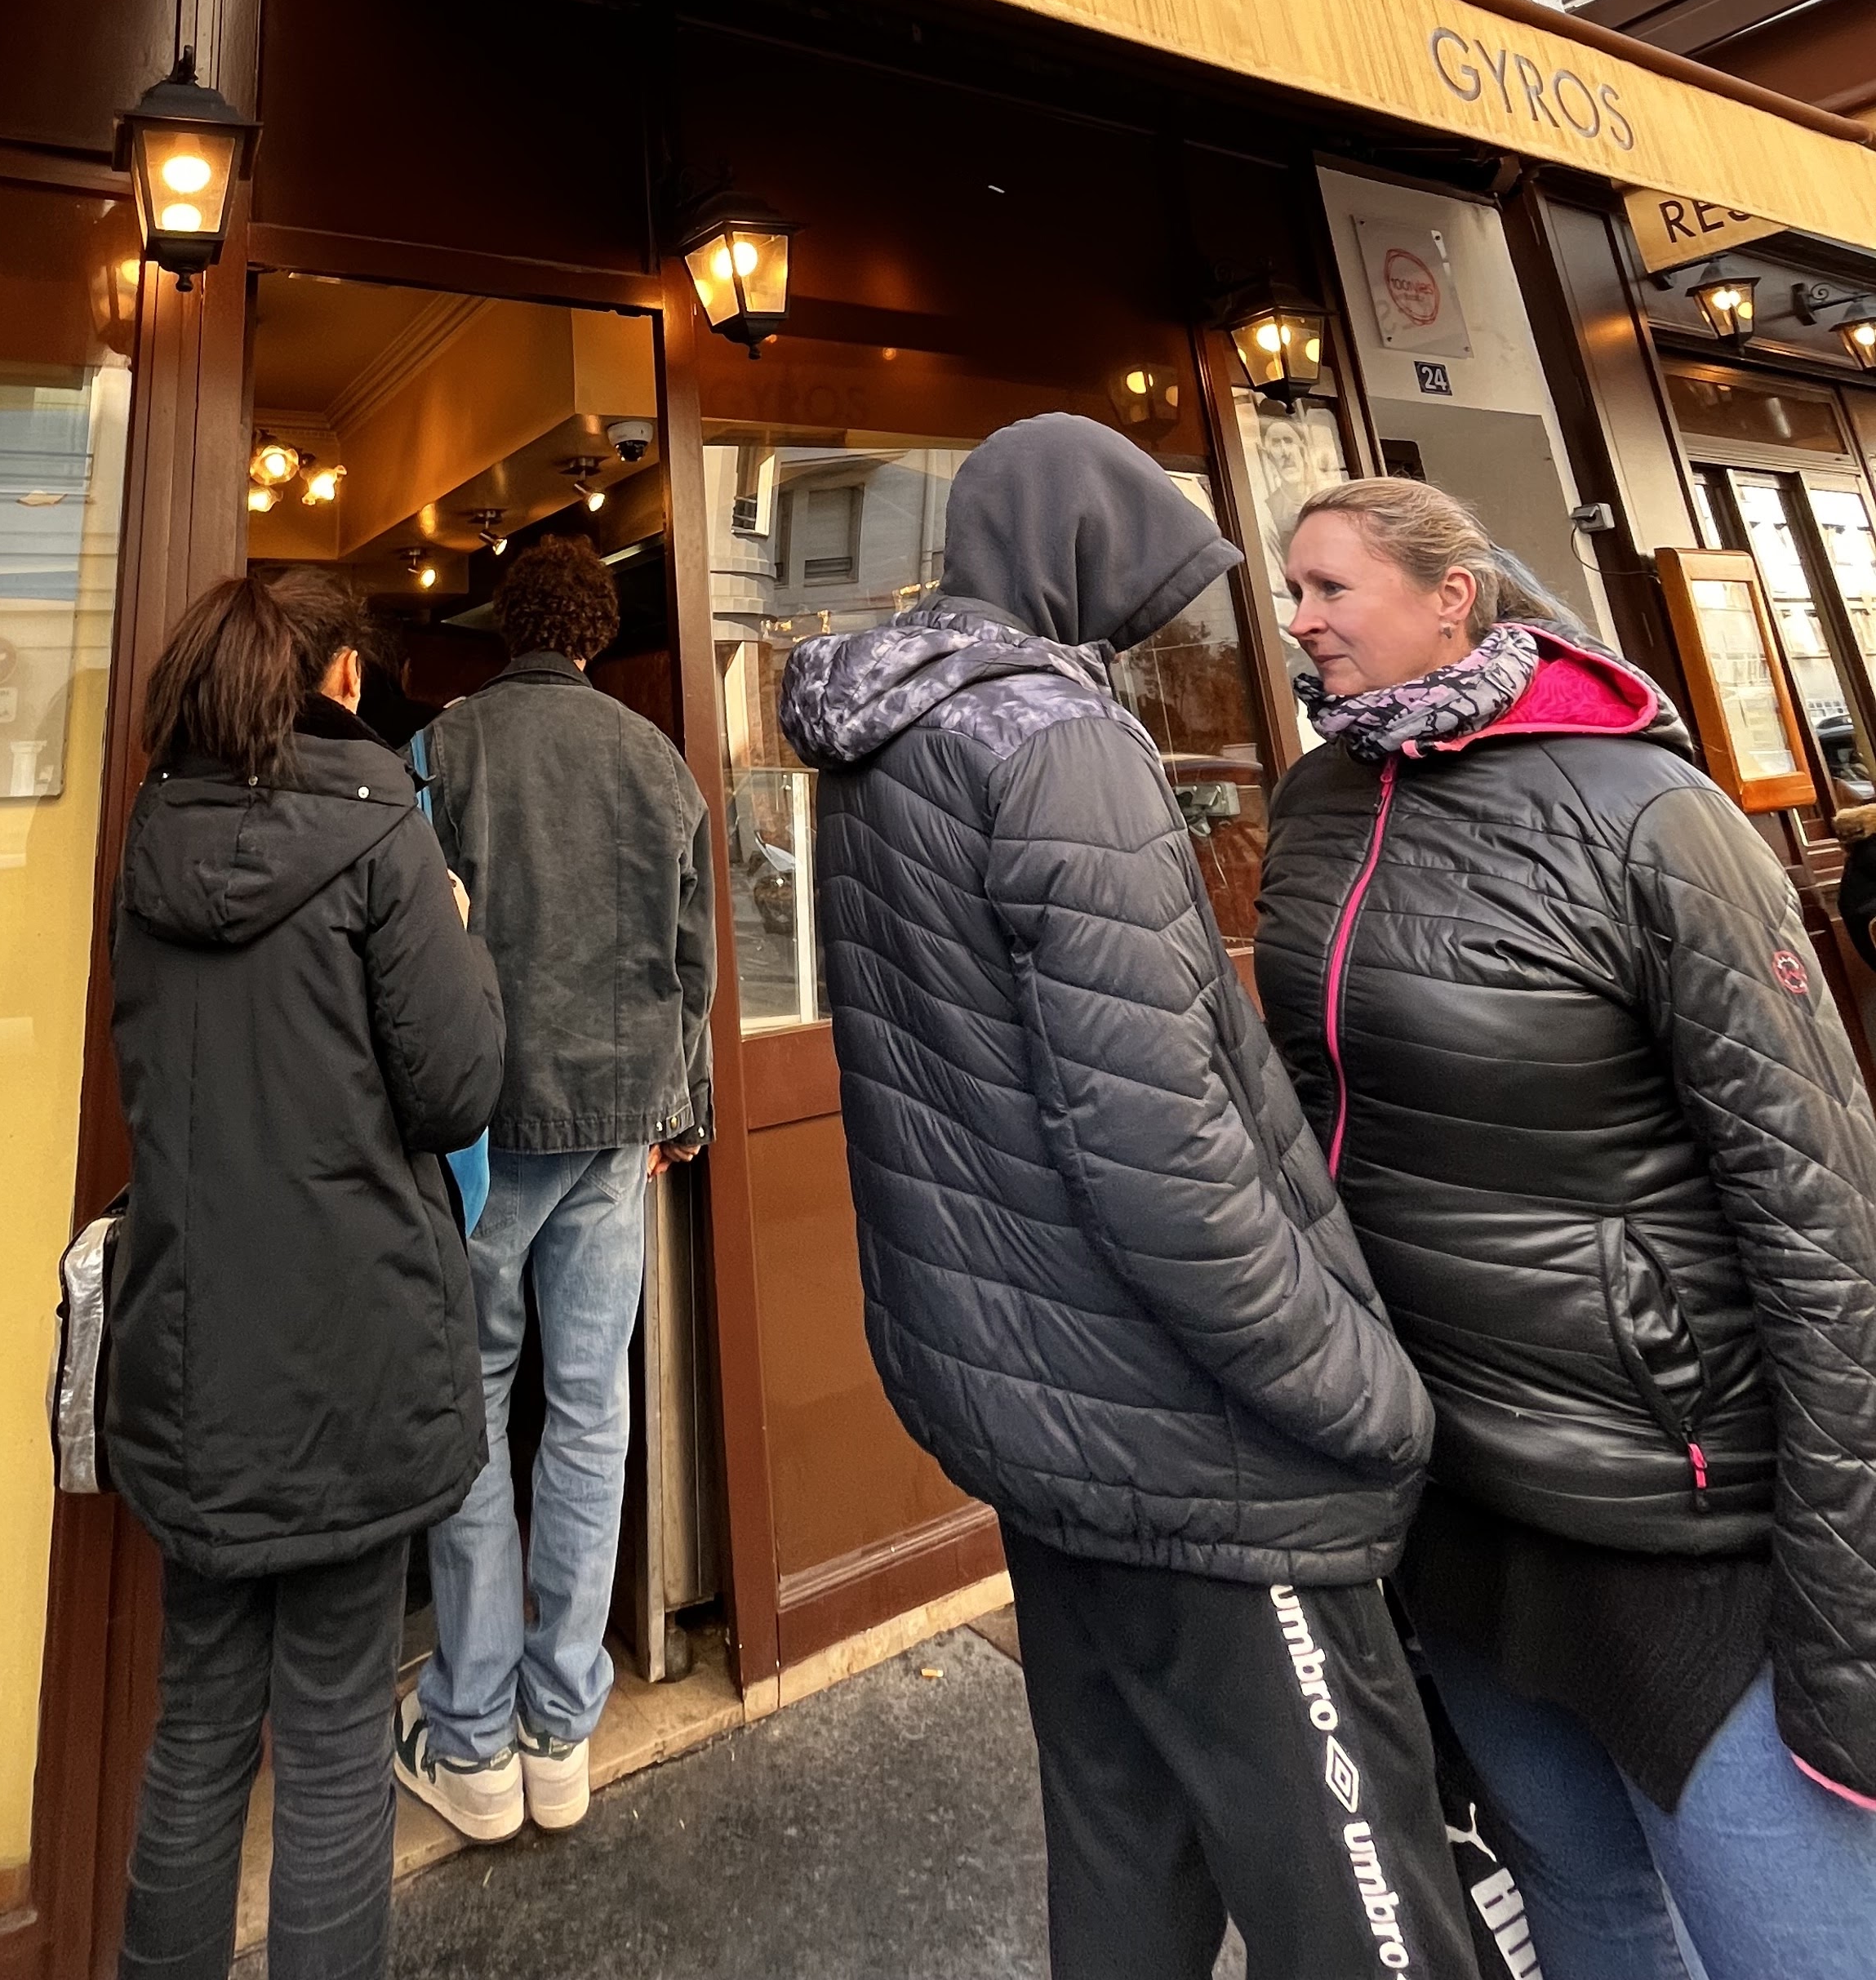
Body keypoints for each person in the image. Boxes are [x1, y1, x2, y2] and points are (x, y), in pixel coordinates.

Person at [777, 413, 1478, 1980]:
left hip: (1036, 1411)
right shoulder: (1055, 740)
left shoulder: (889, 738)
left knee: (1122, 1847)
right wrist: (1364, 1393)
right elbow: (1164, 1145)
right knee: (1360, 1898)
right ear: (1079, 554)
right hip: (1193, 1438)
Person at [1256, 477, 1876, 1980]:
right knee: (1583, 1909)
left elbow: (1822, 1211)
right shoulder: (1320, 804)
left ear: (1451, 596)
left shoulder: (1649, 815)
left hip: (1672, 1517)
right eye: (1293, 590)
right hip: (1454, 1495)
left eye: (1331, 587)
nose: (1299, 619)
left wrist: (1849, 1581)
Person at [105, 570, 503, 1980]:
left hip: (194, 1352)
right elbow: (459, 1087)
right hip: (354, 1354)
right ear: (338, 680)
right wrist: (458, 926)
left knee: (198, 1730)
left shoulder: (148, 839)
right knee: (334, 1743)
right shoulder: (384, 831)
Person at [398, 533, 714, 1845]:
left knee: (471, 1403)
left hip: (483, 1128)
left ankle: (470, 1735)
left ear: (507, 624)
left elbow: (408, 952)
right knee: (592, 1407)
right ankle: (560, 1729)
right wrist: (681, 1108)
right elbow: (692, 959)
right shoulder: (656, 757)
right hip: (618, 1125)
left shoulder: (447, 747)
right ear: (591, 634)